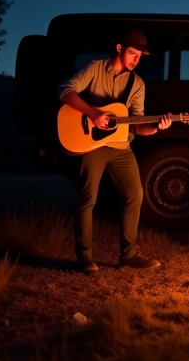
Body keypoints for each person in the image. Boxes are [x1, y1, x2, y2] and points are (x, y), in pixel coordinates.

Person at [57, 28, 172, 274]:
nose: (136, 59)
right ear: (119, 48)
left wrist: (157, 127)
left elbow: (138, 125)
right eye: (132, 53)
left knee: (135, 194)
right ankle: (84, 256)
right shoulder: (95, 68)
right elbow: (65, 90)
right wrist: (93, 114)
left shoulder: (137, 83)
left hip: (121, 146)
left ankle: (128, 255)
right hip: (93, 143)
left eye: (140, 56)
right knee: (88, 197)